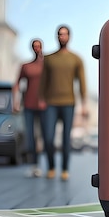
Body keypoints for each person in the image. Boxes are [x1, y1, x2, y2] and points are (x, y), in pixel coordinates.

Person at [38, 25, 88, 181]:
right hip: (50, 103)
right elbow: (42, 81)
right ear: (56, 37)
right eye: (60, 34)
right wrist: (40, 99)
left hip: (68, 103)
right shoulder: (48, 59)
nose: (62, 37)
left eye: (65, 34)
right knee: (48, 137)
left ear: (69, 37)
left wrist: (84, 104)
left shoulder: (76, 59)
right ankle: (51, 167)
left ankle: (65, 169)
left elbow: (82, 83)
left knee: (67, 138)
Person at [13, 39, 48, 177]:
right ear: (32, 48)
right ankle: (34, 165)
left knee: (45, 136)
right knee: (30, 136)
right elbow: (16, 83)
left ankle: (49, 165)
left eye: (39, 46)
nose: (37, 49)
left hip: (45, 106)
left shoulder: (47, 65)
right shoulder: (26, 66)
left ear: (41, 47)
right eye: (34, 46)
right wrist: (15, 101)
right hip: (28, 105)